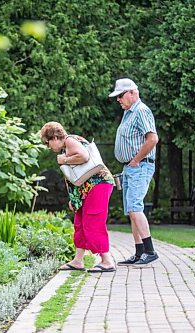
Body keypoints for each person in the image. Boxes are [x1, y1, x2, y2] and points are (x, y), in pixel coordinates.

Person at [40, 122, 116, 273]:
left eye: (48, 143)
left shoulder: (69, 141)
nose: (49, 147)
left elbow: (84, 156)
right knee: (80, 222)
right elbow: (78, 178)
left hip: (98, 185)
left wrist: (64, 160)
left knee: (93, 220)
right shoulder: (68, 144)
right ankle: (78, 260)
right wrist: (75, 199)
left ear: (55, 137)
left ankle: (107, 260)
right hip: (87, 189)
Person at [109, 78, 159, 267]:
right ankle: (139, 252)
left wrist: (136, 160)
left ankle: (150, 251)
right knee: (131, 210)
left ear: (132, 92)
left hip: (140, 166)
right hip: (130, 167)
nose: (118, 100)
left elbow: (152, 139)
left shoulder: (141, 110)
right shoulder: (128, 113)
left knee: (135, 207)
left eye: (120, 96)